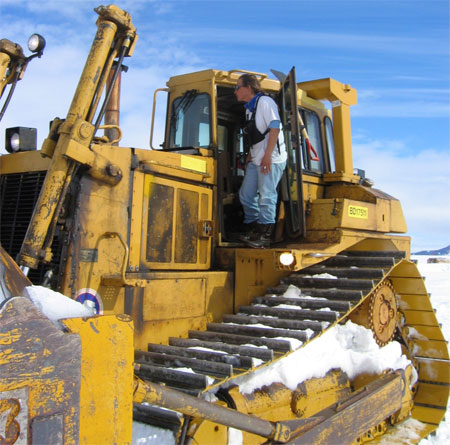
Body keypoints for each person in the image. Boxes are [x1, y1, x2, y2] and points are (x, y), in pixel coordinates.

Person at [235, 74, 287, 248]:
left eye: (237, 87)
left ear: (248, 87)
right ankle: (254, 228)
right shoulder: (249, 109)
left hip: (271, 159)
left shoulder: (265, 102)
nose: (235, 92)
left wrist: (267, 156)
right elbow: (255, 135)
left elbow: (274, 128)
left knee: (266, 196)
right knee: (246, 195)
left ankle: (265, 236)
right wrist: (251, 154)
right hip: (257, 158)